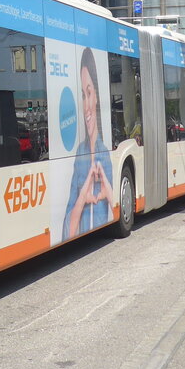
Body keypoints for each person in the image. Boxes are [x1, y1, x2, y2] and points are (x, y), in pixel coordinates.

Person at [64, 48, 114, 240]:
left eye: (89, 92)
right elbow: (68, 227)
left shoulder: (107, 153)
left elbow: (115, 205)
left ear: (97, 97)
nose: (86, 104)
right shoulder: (80, 154)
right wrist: (83, 195)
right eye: (82, 95)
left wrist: (106, 190)